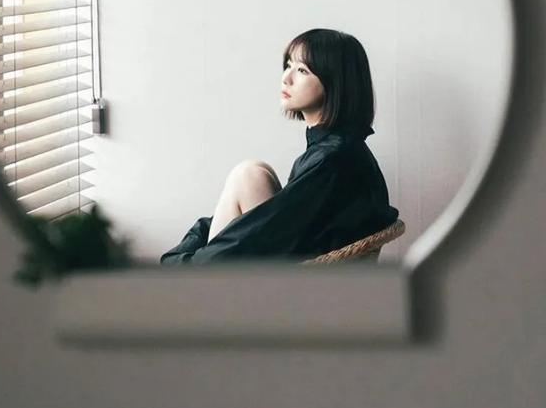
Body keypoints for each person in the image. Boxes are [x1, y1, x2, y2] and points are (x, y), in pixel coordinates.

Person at [159, 28, 399, 265]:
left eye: (302, 70)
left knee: (247, 175)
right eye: (288, 65)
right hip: (294, 267)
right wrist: (185, 253)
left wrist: (179, 263)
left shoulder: (334, 159)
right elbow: (259, 224)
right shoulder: (337, 149)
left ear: (335, 82)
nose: (286, 78)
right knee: (254, 173)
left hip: (301, 284)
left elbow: (250, 239)